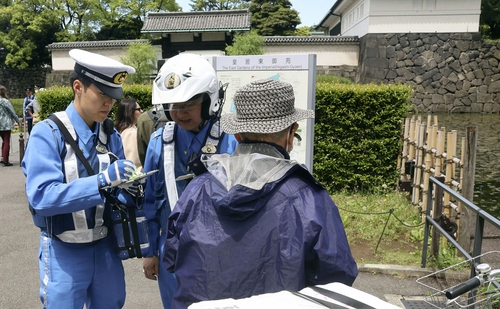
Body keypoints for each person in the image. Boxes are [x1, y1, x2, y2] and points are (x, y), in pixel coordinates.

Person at [163, 79, 359, 309]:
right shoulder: (308, 198)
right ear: (292, 132)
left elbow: (171, 258)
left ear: (237, 135)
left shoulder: (197, 189)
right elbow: (336, 278)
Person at [22, 49, 138, 309]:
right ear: (78, 87)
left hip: (106, 247)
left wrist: (131, 188)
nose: (110, 104)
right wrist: (101, 182)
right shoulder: (47, 133)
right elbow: (42, 197)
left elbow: (118, 194)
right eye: (103, 95)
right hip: (64, 248)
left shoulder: (111, 134)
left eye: (114, 97)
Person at [141, 53, 238, 309]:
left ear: (209, 100)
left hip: (221, 250)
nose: (179, 112)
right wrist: (150, 251)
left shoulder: (231, 141)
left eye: (188, 103)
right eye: (172, 105)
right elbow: (149, 200)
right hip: (170, 251)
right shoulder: (159, 142)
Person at [115, 98, 143, 171]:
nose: (142, 111)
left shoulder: (120, 131)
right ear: (130, 112)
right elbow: (133, 163)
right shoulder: (132, 133)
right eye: (139, 109)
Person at [0, 85, 21, 166]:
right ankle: (5, 160)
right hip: (5, 123)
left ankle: (3, 157)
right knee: (6, 141)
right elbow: (12, 112)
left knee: (3, 141)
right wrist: (18, 121)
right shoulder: (5, 101)